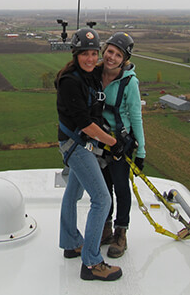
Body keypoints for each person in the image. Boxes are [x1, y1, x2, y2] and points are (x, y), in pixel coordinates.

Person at [55, 27, 125, 282]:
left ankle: (72, 243)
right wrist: (113, 142)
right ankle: (92, 263)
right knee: (102, 200)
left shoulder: (90, 76)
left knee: (73, 193)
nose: (90, 58)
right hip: (76, 145)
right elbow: (84, 124)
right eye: (84, 53)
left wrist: (126, 68)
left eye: (94, 53)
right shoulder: (71, 82)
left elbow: (114, 70)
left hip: (80, 143)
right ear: (76, 54)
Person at [98, 32, 146, 258]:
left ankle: (120, 232)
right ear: (104, 51)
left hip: (120, 142)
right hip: (99, 139)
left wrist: (141, 151)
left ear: (124, 59)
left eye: (118, 55)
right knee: (103, 187)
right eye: (110, 52)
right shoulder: (95, 74)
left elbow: (136, 116)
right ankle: (106, 228)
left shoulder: (130, 82)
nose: (112, 57)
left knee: (121, 187)